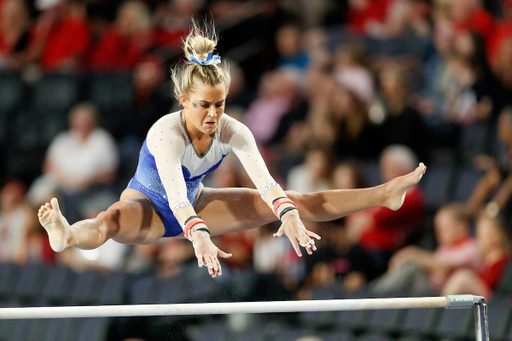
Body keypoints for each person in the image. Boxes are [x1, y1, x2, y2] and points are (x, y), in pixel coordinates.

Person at [38, 20, 427, 279]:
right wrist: (199, 235)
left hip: (200, 202)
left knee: (298, 199)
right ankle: (68, 237)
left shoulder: (233, 130)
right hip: (151, 205)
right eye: (203, 105)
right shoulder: (165, 134)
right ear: (181, 99)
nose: (212, 115)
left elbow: (266, 181)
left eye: (219, 104)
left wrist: (287, 213)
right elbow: (173, 193)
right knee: (109, 220)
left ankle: (384, 194)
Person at [371, 202, 479, 296]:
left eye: (445, 227)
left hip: (443, 294)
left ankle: (374, 293)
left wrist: (413, 255)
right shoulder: (445, 248)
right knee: (409, 270)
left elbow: (445, 265)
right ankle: (375, 292)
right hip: (430, 289)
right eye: (438, 228)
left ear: (461, 226)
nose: (439, 233)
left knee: (413, 268)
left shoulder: (470, 247)